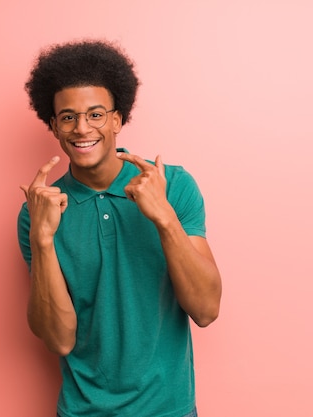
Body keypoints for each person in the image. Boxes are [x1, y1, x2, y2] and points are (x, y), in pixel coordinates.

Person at [17, 39, 222, 417]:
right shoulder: (38, 212)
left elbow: (206, 310)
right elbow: (58, 339)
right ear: (53, 125)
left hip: (169, 410)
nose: (82, 128)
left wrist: (163, 216)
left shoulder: (172, 186)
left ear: (118, 119)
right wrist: (42, 239)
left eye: (96, 114)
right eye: (67, 117)